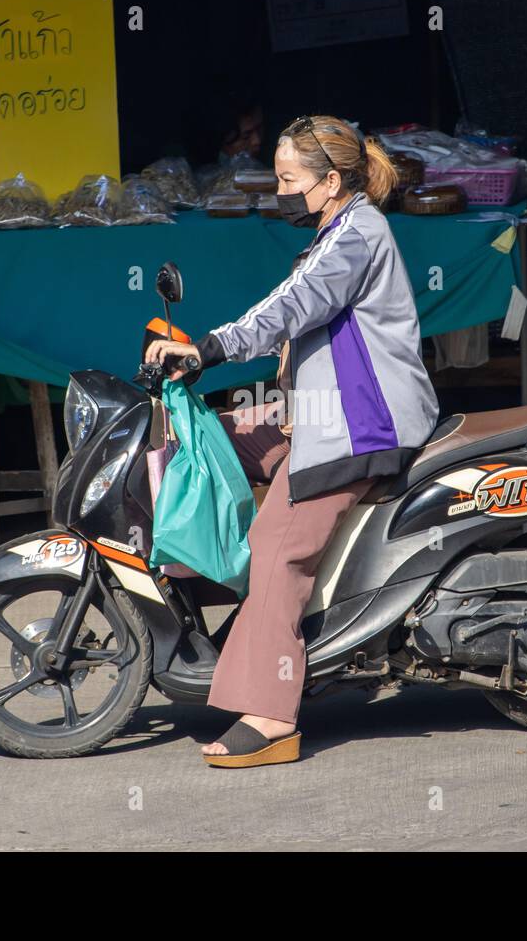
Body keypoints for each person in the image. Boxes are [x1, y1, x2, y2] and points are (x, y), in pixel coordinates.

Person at [144, 115, 439, 768]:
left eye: (287, 179)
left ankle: (274, 712)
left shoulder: (356, 235)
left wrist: (206, 349)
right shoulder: (338, 229)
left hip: (364, 422)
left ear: (331, 181)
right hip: (320, 409)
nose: (277, 190)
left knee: (277, 547)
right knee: (215, 437)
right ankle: (227, 623)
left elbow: (290, 306)